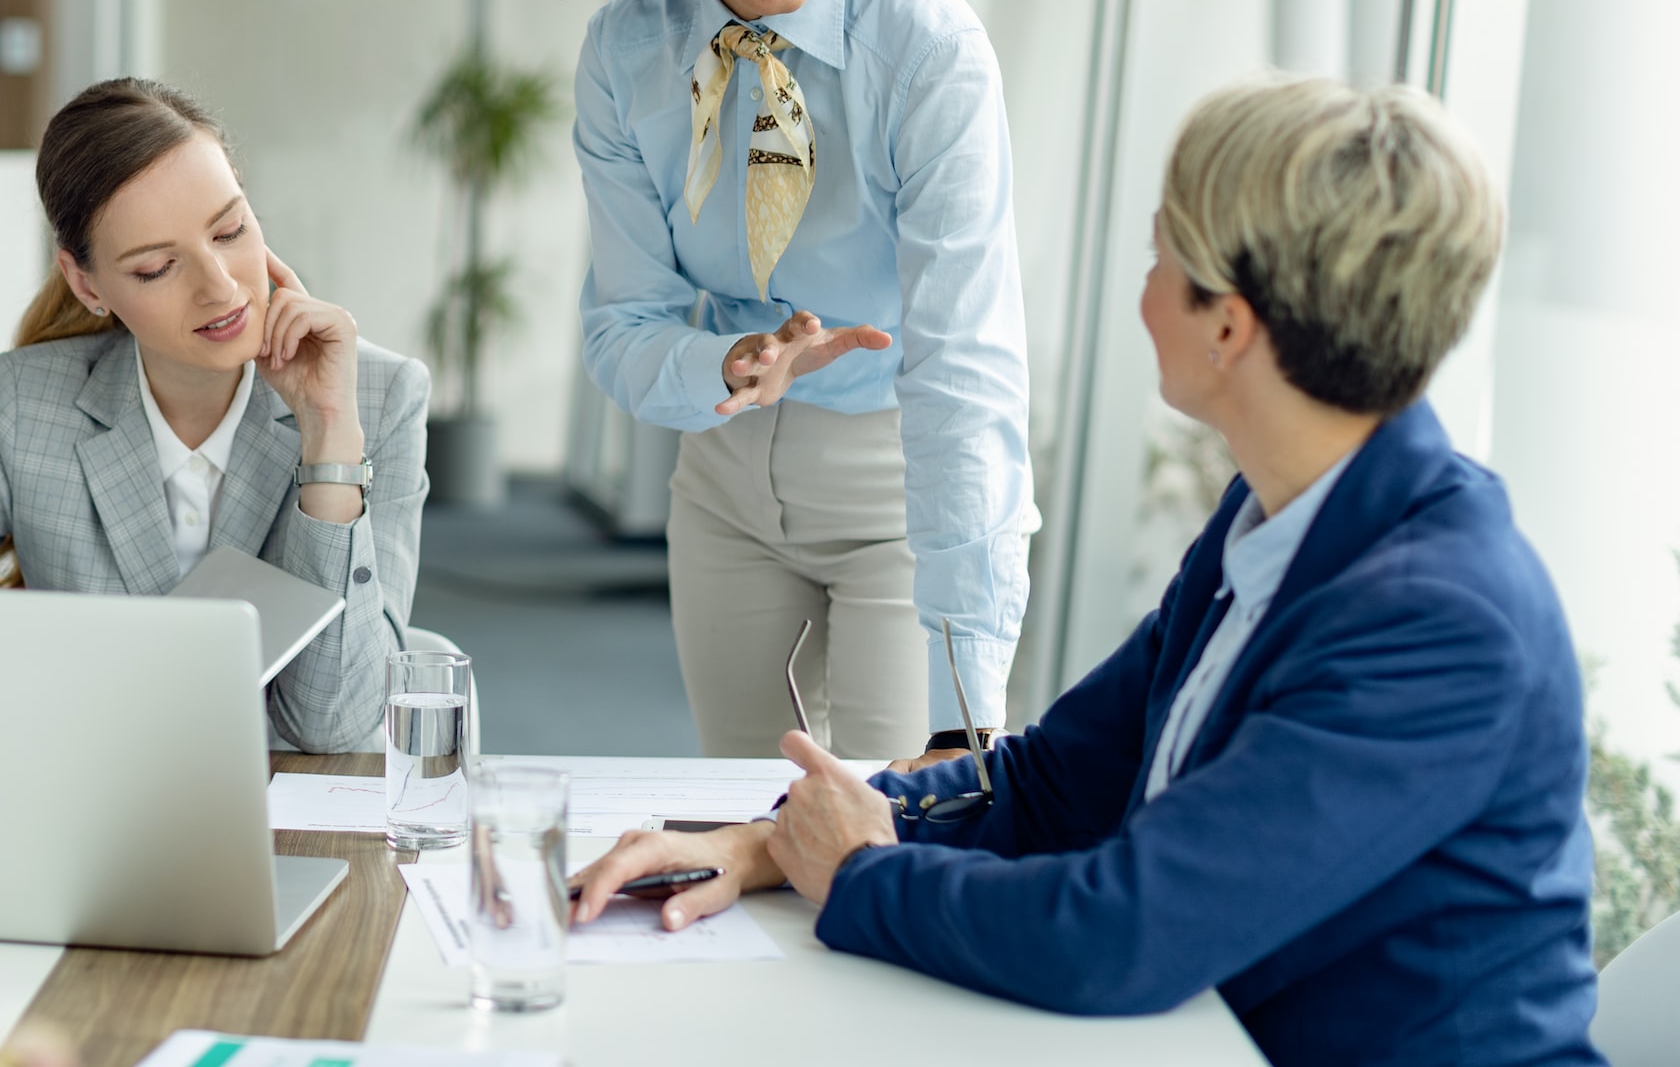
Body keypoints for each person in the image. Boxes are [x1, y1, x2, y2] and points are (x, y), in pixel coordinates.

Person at [570, 77, 1602, 1066]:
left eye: (1159, 257)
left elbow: (1126, 931)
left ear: (1229, 325)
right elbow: (1056, 782)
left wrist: (858, 873)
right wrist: (770, 841)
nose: (1144, 291)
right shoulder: (1279, 511)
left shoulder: (1442, 621)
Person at [532, 0, 1035, 761]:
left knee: (889, 834)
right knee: (741, 818)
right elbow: (621, 328)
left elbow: (968, 365)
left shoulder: (927, 52)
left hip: (900, 484)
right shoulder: (627, 56)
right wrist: (729, 368)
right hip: (720, 484)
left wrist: (968, 691)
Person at [0, 78, 430, 754]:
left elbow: (335, 724)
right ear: (87, 285)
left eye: (230, 231)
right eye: (158, 267)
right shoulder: (32, 404)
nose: (221, 287)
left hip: (290, 823)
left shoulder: (377, 397)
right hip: (81, 809)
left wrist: (328, 438)